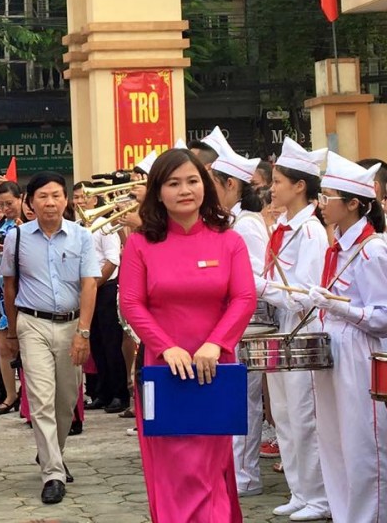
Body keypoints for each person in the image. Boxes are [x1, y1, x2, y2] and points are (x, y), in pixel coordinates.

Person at [119, 148, 257, 523]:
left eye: (193, 181)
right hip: (163, 371)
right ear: (158, 192)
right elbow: (132, 303)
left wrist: (216, 343)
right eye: (173, 183)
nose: (185, 190)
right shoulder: (140, 244)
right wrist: (166, 347)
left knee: (208, 468)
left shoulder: (228, 241)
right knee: (172, 466)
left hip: (215, 367)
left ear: (206, 187)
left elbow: (244, 297)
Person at [295, 153, 387, 521]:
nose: (321, 203)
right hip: (333, 350)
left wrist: (338, 307)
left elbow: (382, 318)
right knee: (332, 444)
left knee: (363, 446)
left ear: (353, 204)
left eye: (328, 196)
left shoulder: (373, 250)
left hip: (361, 355)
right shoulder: (336, 246)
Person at [0, 171, 100, 505]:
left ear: (66, 199)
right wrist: (13, 330)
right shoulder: (17, 238)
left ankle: (51, 452)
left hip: (72, 325)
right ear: (30, 202)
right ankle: (54, 473)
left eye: (57, 195)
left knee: (66, 400)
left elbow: (89, 284)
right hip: (33, 324)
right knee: (41, 399)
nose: (50, 202)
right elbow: (9, 285)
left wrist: (83, 332)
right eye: (42, 196)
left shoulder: (82, 236)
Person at [254, 136, 330, 521]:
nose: (272, 187)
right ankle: (300, 491)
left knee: (303, 415)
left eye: (280, 181)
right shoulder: (283, 226)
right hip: (281, 327)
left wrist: (260, 286)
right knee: (283, 414)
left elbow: (307, 292)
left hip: (303, 328)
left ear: (300, 186)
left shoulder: (311, 231)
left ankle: (319, 495)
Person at [210, 146, 268, 498]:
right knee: (236, 400)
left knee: (245, 402)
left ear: (230, 184)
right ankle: (237, 471)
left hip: (246, 323)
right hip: (233, 322)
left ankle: (245, 475)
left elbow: (258, 278)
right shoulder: (235, 221)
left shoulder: (246, 225)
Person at [73, 181, 127, 414]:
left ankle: (119, 394)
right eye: (76, 198)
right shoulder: (78, 226)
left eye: (84, 197)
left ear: (95, 199)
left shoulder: (104, 225)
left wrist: (95, 285)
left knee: (110, 343)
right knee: (95, 344)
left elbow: (113, 260)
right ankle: (103, 393)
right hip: (89, 290)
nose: (80, 201)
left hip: (104, 289)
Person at [0, 181, 23, 417]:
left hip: (23, 288)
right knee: (3, 346)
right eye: (1, 204)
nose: (5, 208)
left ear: (21, 198)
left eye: (9, 203)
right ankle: (10, 395)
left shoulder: (30, 223)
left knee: (25, 345)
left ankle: (29, 396)